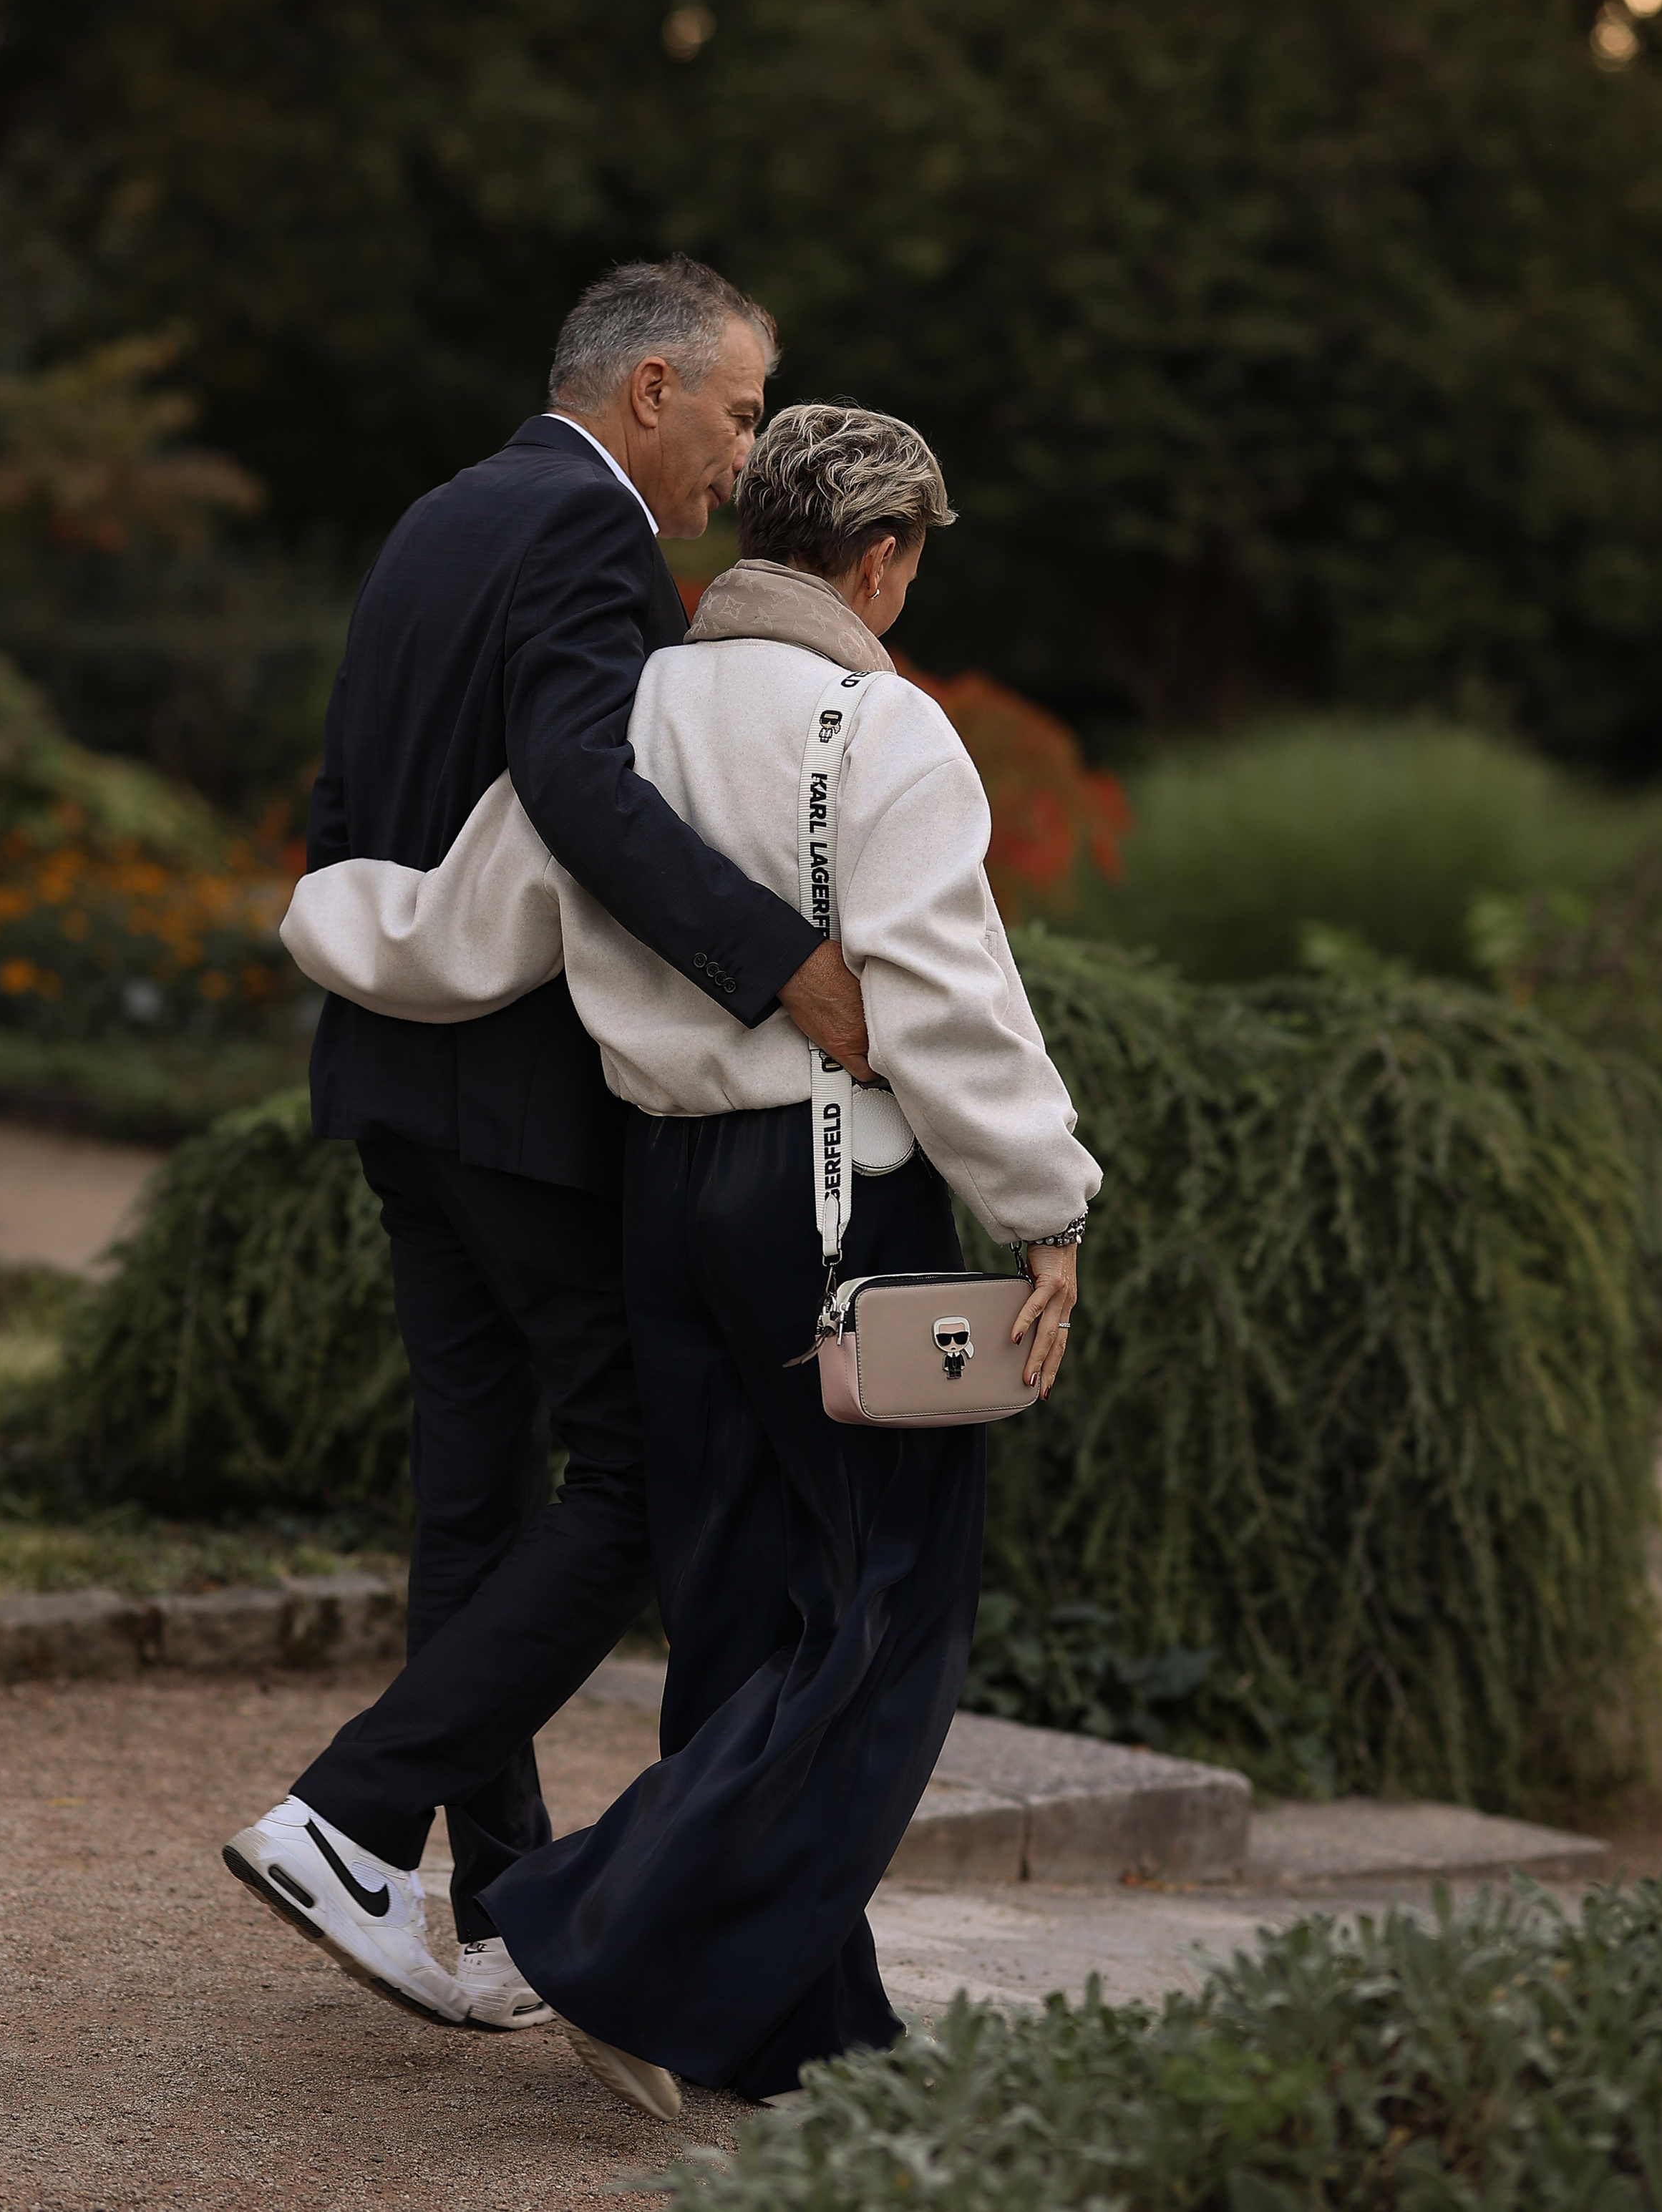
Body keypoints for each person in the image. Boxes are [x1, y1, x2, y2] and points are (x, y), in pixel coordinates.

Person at [279, 404, 1102, 2117]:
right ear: (878, 560)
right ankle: (614, 1938)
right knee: (882, 1607)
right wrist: (1045, 1207)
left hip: (659, 1196)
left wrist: (320, 911)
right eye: (911, 564)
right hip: (835, 1201)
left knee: (735, 1600)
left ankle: (788, 2023)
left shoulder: (633, 703)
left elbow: (466, 925)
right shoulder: (886, 726)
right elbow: (945, 1002)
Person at [222, 261, 874, 2032]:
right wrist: (783, 961)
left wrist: (389, 980)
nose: (742, 456)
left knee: (475, 1494)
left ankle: (495, 1895)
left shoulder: (441, 515)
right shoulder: (593, 535)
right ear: (651, 389)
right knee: (639, 1484)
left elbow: (343, 800)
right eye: (737, 411)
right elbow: (583, 787)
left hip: (392, 1070)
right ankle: (348, 1817)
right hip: (514, 1101)